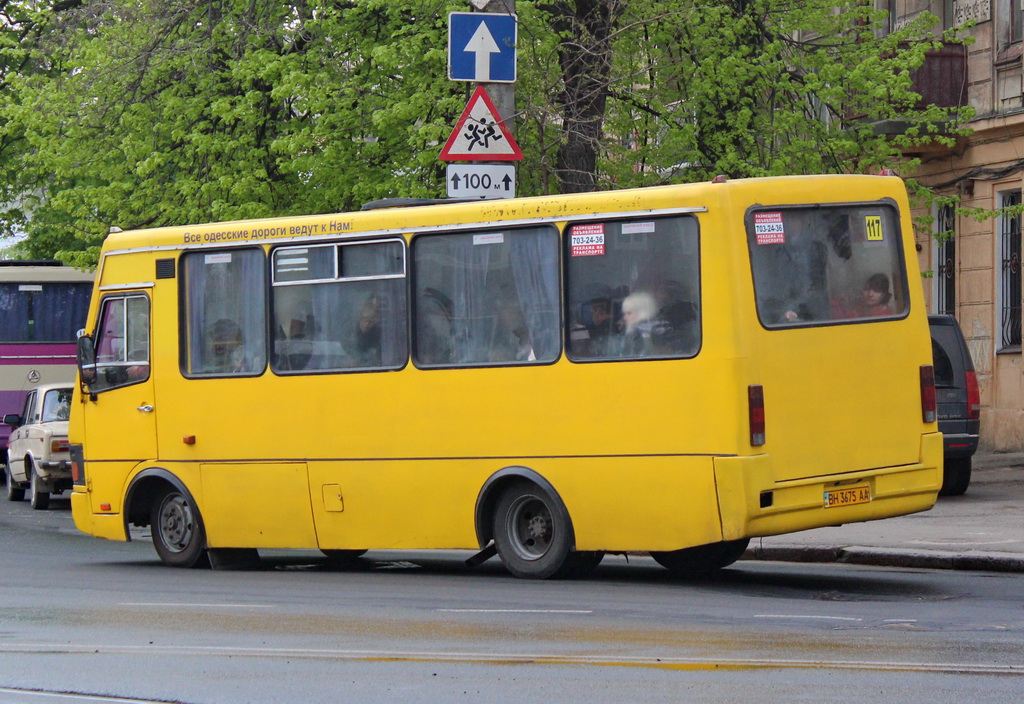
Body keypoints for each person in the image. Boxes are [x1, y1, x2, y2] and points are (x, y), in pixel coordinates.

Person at [354, 295, 382, 366]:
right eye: (364, 319)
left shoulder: (383, 336)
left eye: (371, 320)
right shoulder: (350, 337)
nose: (366, 324)